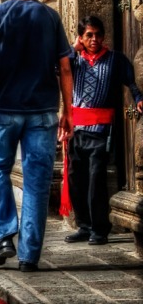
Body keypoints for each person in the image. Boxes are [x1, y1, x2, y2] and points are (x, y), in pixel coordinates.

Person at [0, 0, 73, 273]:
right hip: (43, 112)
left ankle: (3, 237)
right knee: (37, 182)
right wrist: (67, 110)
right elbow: (65, 68)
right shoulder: (51, 17)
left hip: (3, 109)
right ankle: (29, 256)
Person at [62, 15, 143, 246]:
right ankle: (84, 227)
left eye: (98, 34)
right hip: (76, 131)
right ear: (81, 37)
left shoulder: (115, 59)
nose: (94, 39)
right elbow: (53, 66)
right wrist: (73, 48)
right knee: (77, 179)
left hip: (101, 131)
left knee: (96, 180)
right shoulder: (74, 61)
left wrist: (138, 98)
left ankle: (100, 229)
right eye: (88, 35)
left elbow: (133, 81)